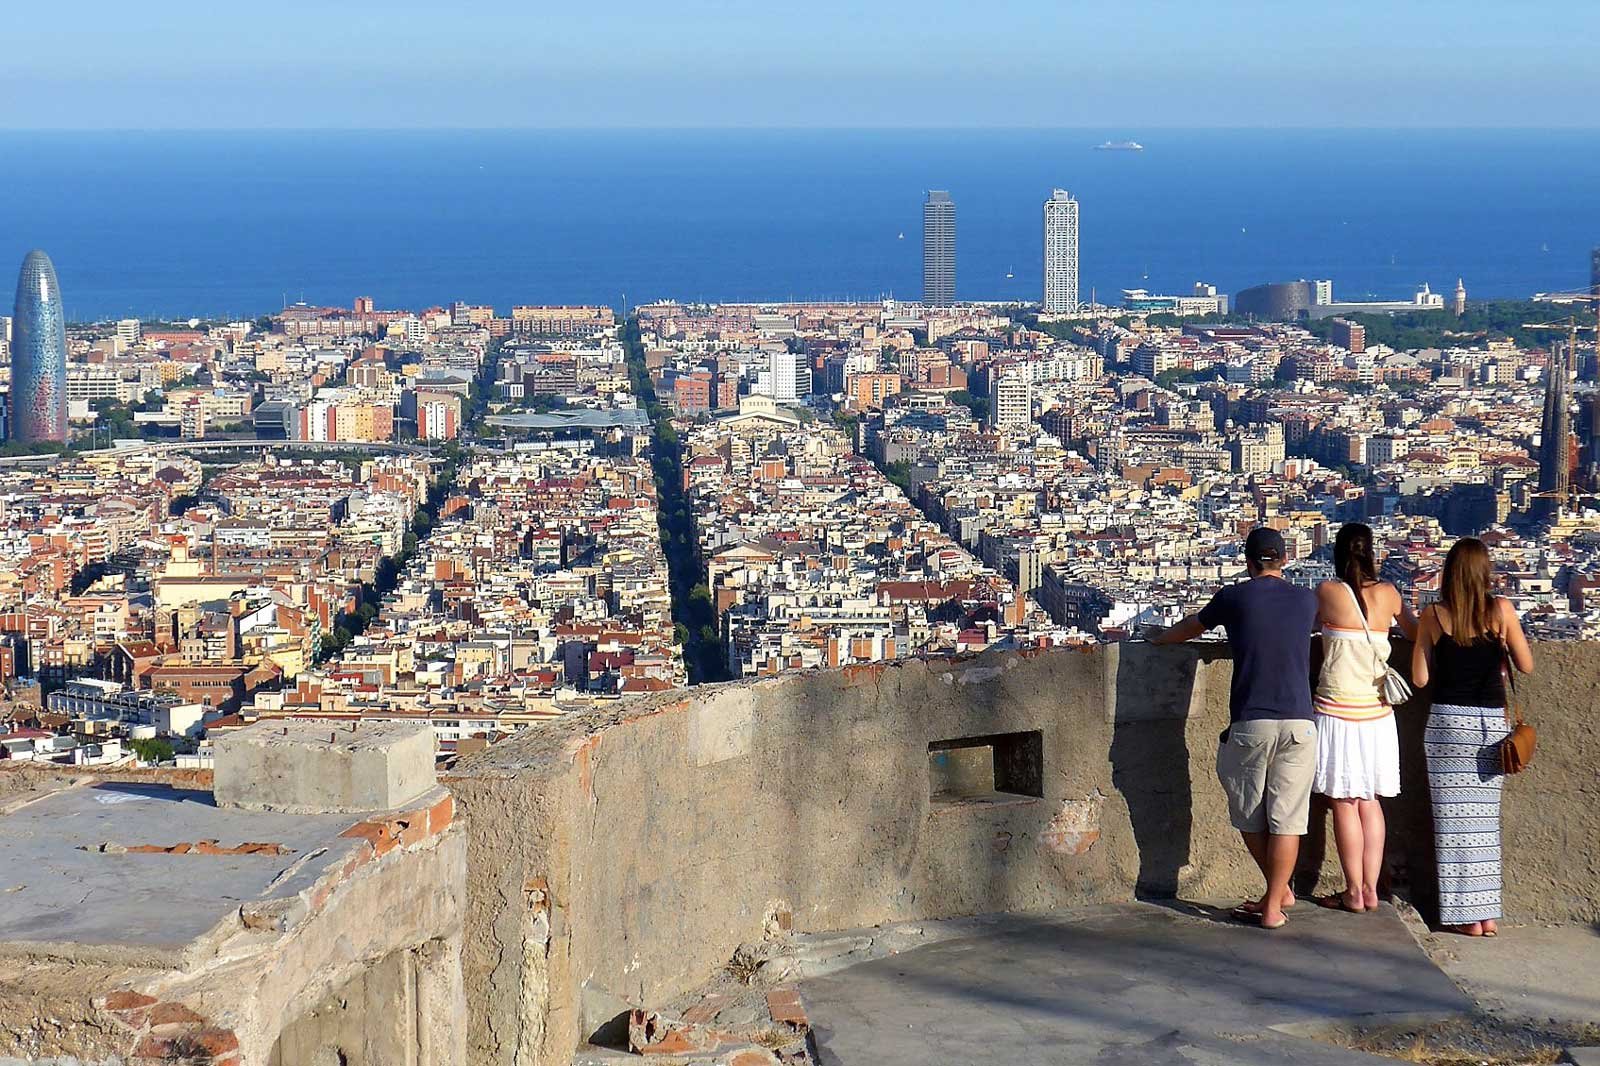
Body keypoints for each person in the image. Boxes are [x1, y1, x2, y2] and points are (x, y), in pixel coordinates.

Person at [1152, 526, 1319, 929]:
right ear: (1285, 560)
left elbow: (1193, 627)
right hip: (1301, 721)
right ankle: (1278, 898)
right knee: (1288, 819)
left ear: (1247, 562)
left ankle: (1275, 899)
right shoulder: (1306, 600)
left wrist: (1158, 641)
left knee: (1249, 814)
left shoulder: (1234, 598)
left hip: (1253, 719)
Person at [1411, 538, 1533, 937]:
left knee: (1453, 826)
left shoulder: (1434, 615)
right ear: (1485, 572)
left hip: (1447, 726)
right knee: (1484, 825)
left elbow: (1419, 678)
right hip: (1488, 730)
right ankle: (1488, 916)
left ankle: (1464, 916)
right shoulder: (1501, 610)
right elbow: (1526, 666)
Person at [1311, 523, 1417, 913]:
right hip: (1376, 713)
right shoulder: (1389, 594)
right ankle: (1372, 889)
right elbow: (1415, 631)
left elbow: (1306, 629)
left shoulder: (1326, 592)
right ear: (1372, 552)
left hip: (1336, 711)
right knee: (1370, 802)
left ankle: (1353, 890)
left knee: (1342, 801)